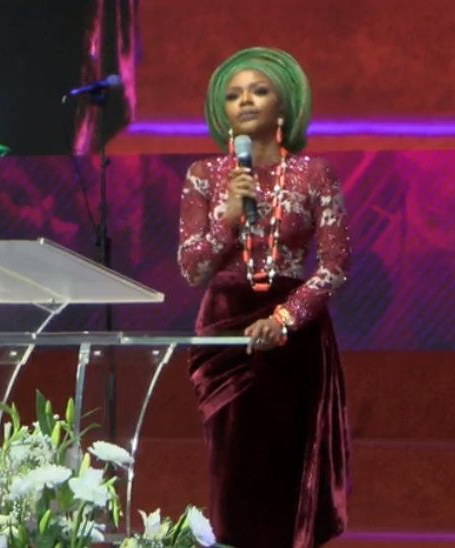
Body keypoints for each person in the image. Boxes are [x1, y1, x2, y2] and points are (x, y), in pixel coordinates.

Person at [177, 47, 351, 548]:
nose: (245, 101)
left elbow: (335, 266)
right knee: (233, 474)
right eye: (233, 96)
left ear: (283, 106)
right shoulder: (204, 176)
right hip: (224, 334)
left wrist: (284, 319)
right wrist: (228, 218)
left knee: (287, 473)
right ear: (223, 113)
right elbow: (192, 269)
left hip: (293, 338)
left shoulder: (315, 175)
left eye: (258, 91)